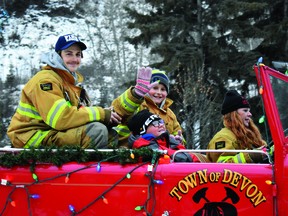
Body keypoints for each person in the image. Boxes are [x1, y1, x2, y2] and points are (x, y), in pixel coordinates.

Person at [7, 33, 121, 149]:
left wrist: (105, 116)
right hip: (31, 137)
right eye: (69, 54)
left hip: (51, 131)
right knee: (97, 131)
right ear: (58, 56)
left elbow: (75, 113)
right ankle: (84, 167)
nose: (74, 59)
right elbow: (61, 118)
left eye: (78, 54)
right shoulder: (46, 81)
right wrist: (100, 114)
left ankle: (104, 166)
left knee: (110, 134)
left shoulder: (67, 81)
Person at [112, 67, 184, 148]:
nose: (159, 92)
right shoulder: (138, 104)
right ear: (147, 88)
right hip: (128, 150)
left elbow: (177, 132)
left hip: (162, 153)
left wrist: (178, 140)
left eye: (163, 89)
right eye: (155, 88)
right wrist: (136, 95)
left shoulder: (170, 114)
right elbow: (120, 109)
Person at [206, 90, 268, 163]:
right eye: (245, 110)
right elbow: (222, 168)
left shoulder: (247, 135)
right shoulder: (223, 137)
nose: (250, 114)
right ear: (234, 115)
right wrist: (250, 156)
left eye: (249, 110)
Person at [127, 109, 207, 162]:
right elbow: (182, 159)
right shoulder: (145, 148)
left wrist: (177, 144)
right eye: (155, 123)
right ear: (143, 131)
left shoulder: (168, 142)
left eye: (161, 122)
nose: (161, 125)